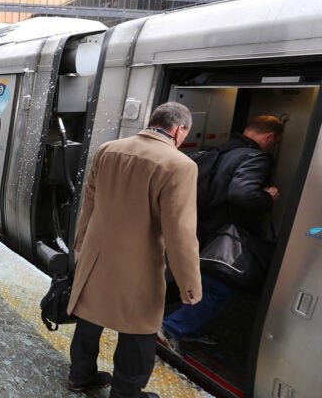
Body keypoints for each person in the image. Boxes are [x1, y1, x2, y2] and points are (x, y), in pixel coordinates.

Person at [66, 102, 203, 398]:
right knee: (138, 334)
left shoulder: (108, 149)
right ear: (179, 130)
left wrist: (81, 245)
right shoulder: (180, 165)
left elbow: (89, 202)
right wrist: (190, 287)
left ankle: (80, 377)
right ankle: (126, 393)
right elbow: (180, 232)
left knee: (89, 321)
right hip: (140, 265)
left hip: (96, 257)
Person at [159, 115, 283, 352]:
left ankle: (191, 329)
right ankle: (172, 328)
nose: (272, 147)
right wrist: (268, 196)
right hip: (225, 234)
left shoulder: (222, 150)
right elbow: (242, 194)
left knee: (205, 283)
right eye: (274, 142)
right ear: (269, 137)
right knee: (219, 288)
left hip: (203, 226)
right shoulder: (256, 157)